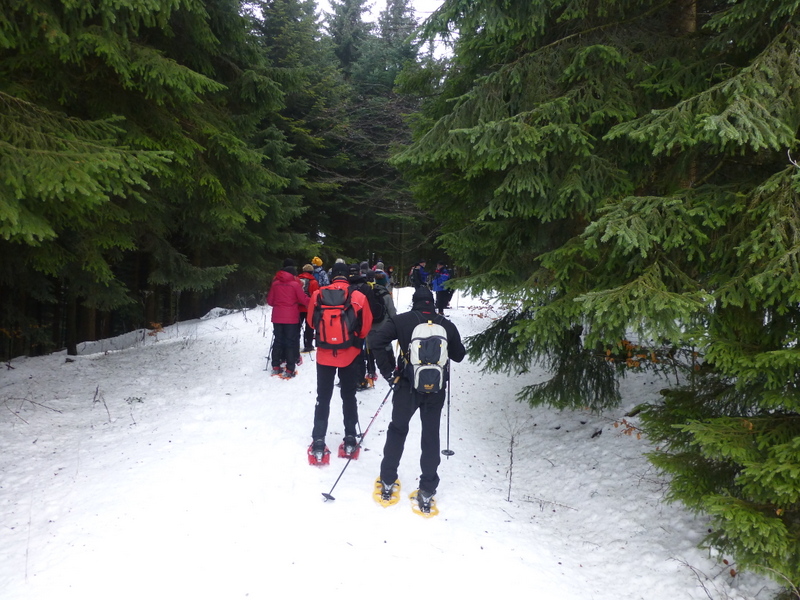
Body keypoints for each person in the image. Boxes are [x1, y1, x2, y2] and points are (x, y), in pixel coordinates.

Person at [370, 287, 466, 513]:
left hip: (406, 386)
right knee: (430, 435)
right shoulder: (445, 324)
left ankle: (387, 479)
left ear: (414, 302)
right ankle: (427, 489)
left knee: (397, 430)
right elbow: (459, 355)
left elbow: (375, 340)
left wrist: (388, 373)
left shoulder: (401, 321)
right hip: (436, 389)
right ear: (432, 302)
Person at [306, 262, 373, 461]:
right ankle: (350, 438)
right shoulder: (358, 296)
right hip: (349, 353)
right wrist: (354, 339)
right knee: (349, 396)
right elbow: (366, 325)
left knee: (323, 397)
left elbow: (311, 322)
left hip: (324, 354)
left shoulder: (318, 295)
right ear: (348, 276)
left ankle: (318, 440)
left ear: (332, 275)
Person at [266, 259, 309, 379]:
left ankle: (275, 366)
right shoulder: (295, 285)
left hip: (277, 317)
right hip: (291, 318)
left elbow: (270, 301)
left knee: (278, 340)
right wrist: (315, 301)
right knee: (290, 342)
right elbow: (304, 300)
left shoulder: (275, 284)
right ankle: (290, 368)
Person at [298, 264, 320, 353]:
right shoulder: (314, 282)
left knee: (297, 327)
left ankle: (295, 344)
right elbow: (316, 296)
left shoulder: (297, 280)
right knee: (309, 327)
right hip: (309, 308)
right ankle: (308, 345)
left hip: (298, 307)